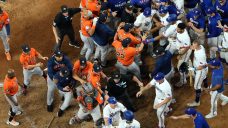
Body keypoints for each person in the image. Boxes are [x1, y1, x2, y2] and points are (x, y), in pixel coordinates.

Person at [187, 39, 208, 107]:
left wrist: (193, 68)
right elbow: (192, 47)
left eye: (194, 46)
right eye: (193, 45)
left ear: (198, 45)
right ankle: (206, 87)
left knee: (196, 86)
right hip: (200, 69)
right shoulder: (201, 46)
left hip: (201, 71)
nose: (193, 47)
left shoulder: (201, 55)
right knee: (204, 77)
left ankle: (197, 101)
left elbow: (202, 67)